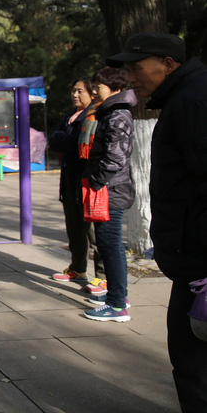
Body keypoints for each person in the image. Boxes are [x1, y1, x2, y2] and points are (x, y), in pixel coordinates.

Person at [107, 32, 207, 411]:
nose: (131, 77)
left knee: (194, 367)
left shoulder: (194, 101)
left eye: (136, 68)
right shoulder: (185, 98)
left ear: (167, 64)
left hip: (199, 262)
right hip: (190, 259)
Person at [80, 67, 136, 322]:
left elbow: (115, 158)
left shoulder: (117, 115)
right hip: (109, 188)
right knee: (107, 244)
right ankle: (116, 295)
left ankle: (116, 305)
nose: (94, 91)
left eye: (99, 87)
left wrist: (95, 180)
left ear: (114, 88)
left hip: (110, 189)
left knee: (110, 245)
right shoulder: (111, 112)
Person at [48, 77, 104, 284]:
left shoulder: (93, 116)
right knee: (74, 228)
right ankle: (78, 268)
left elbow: (78, 144)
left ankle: (103, 277)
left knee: (94, 233)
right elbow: (54, 140)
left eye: (80, 91)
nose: (75, 95)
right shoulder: (70, 116)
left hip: (87, 181)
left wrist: (65, 140)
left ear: (91, 93)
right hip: (69, 182)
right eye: (73, 90)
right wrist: (66, 140)